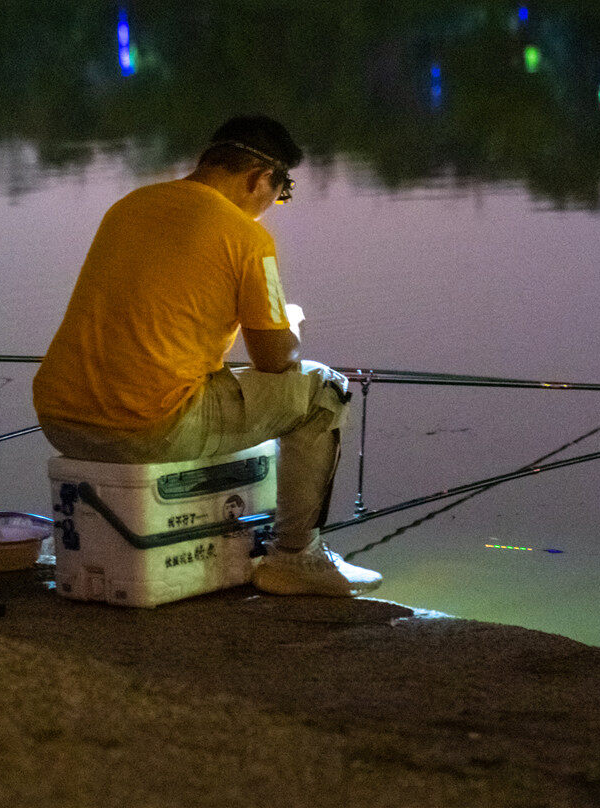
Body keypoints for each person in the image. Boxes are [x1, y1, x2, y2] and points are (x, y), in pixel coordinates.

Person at [33, 115, 381, 597]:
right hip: (147, 428)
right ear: (260, 178)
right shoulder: (247, 238)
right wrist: (290, 324)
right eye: (279, 194)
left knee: (222, 381)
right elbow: (276, 362)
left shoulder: (128, 207)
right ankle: (295, 556)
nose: (272, 207)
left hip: (60, 418)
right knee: (323, 390)